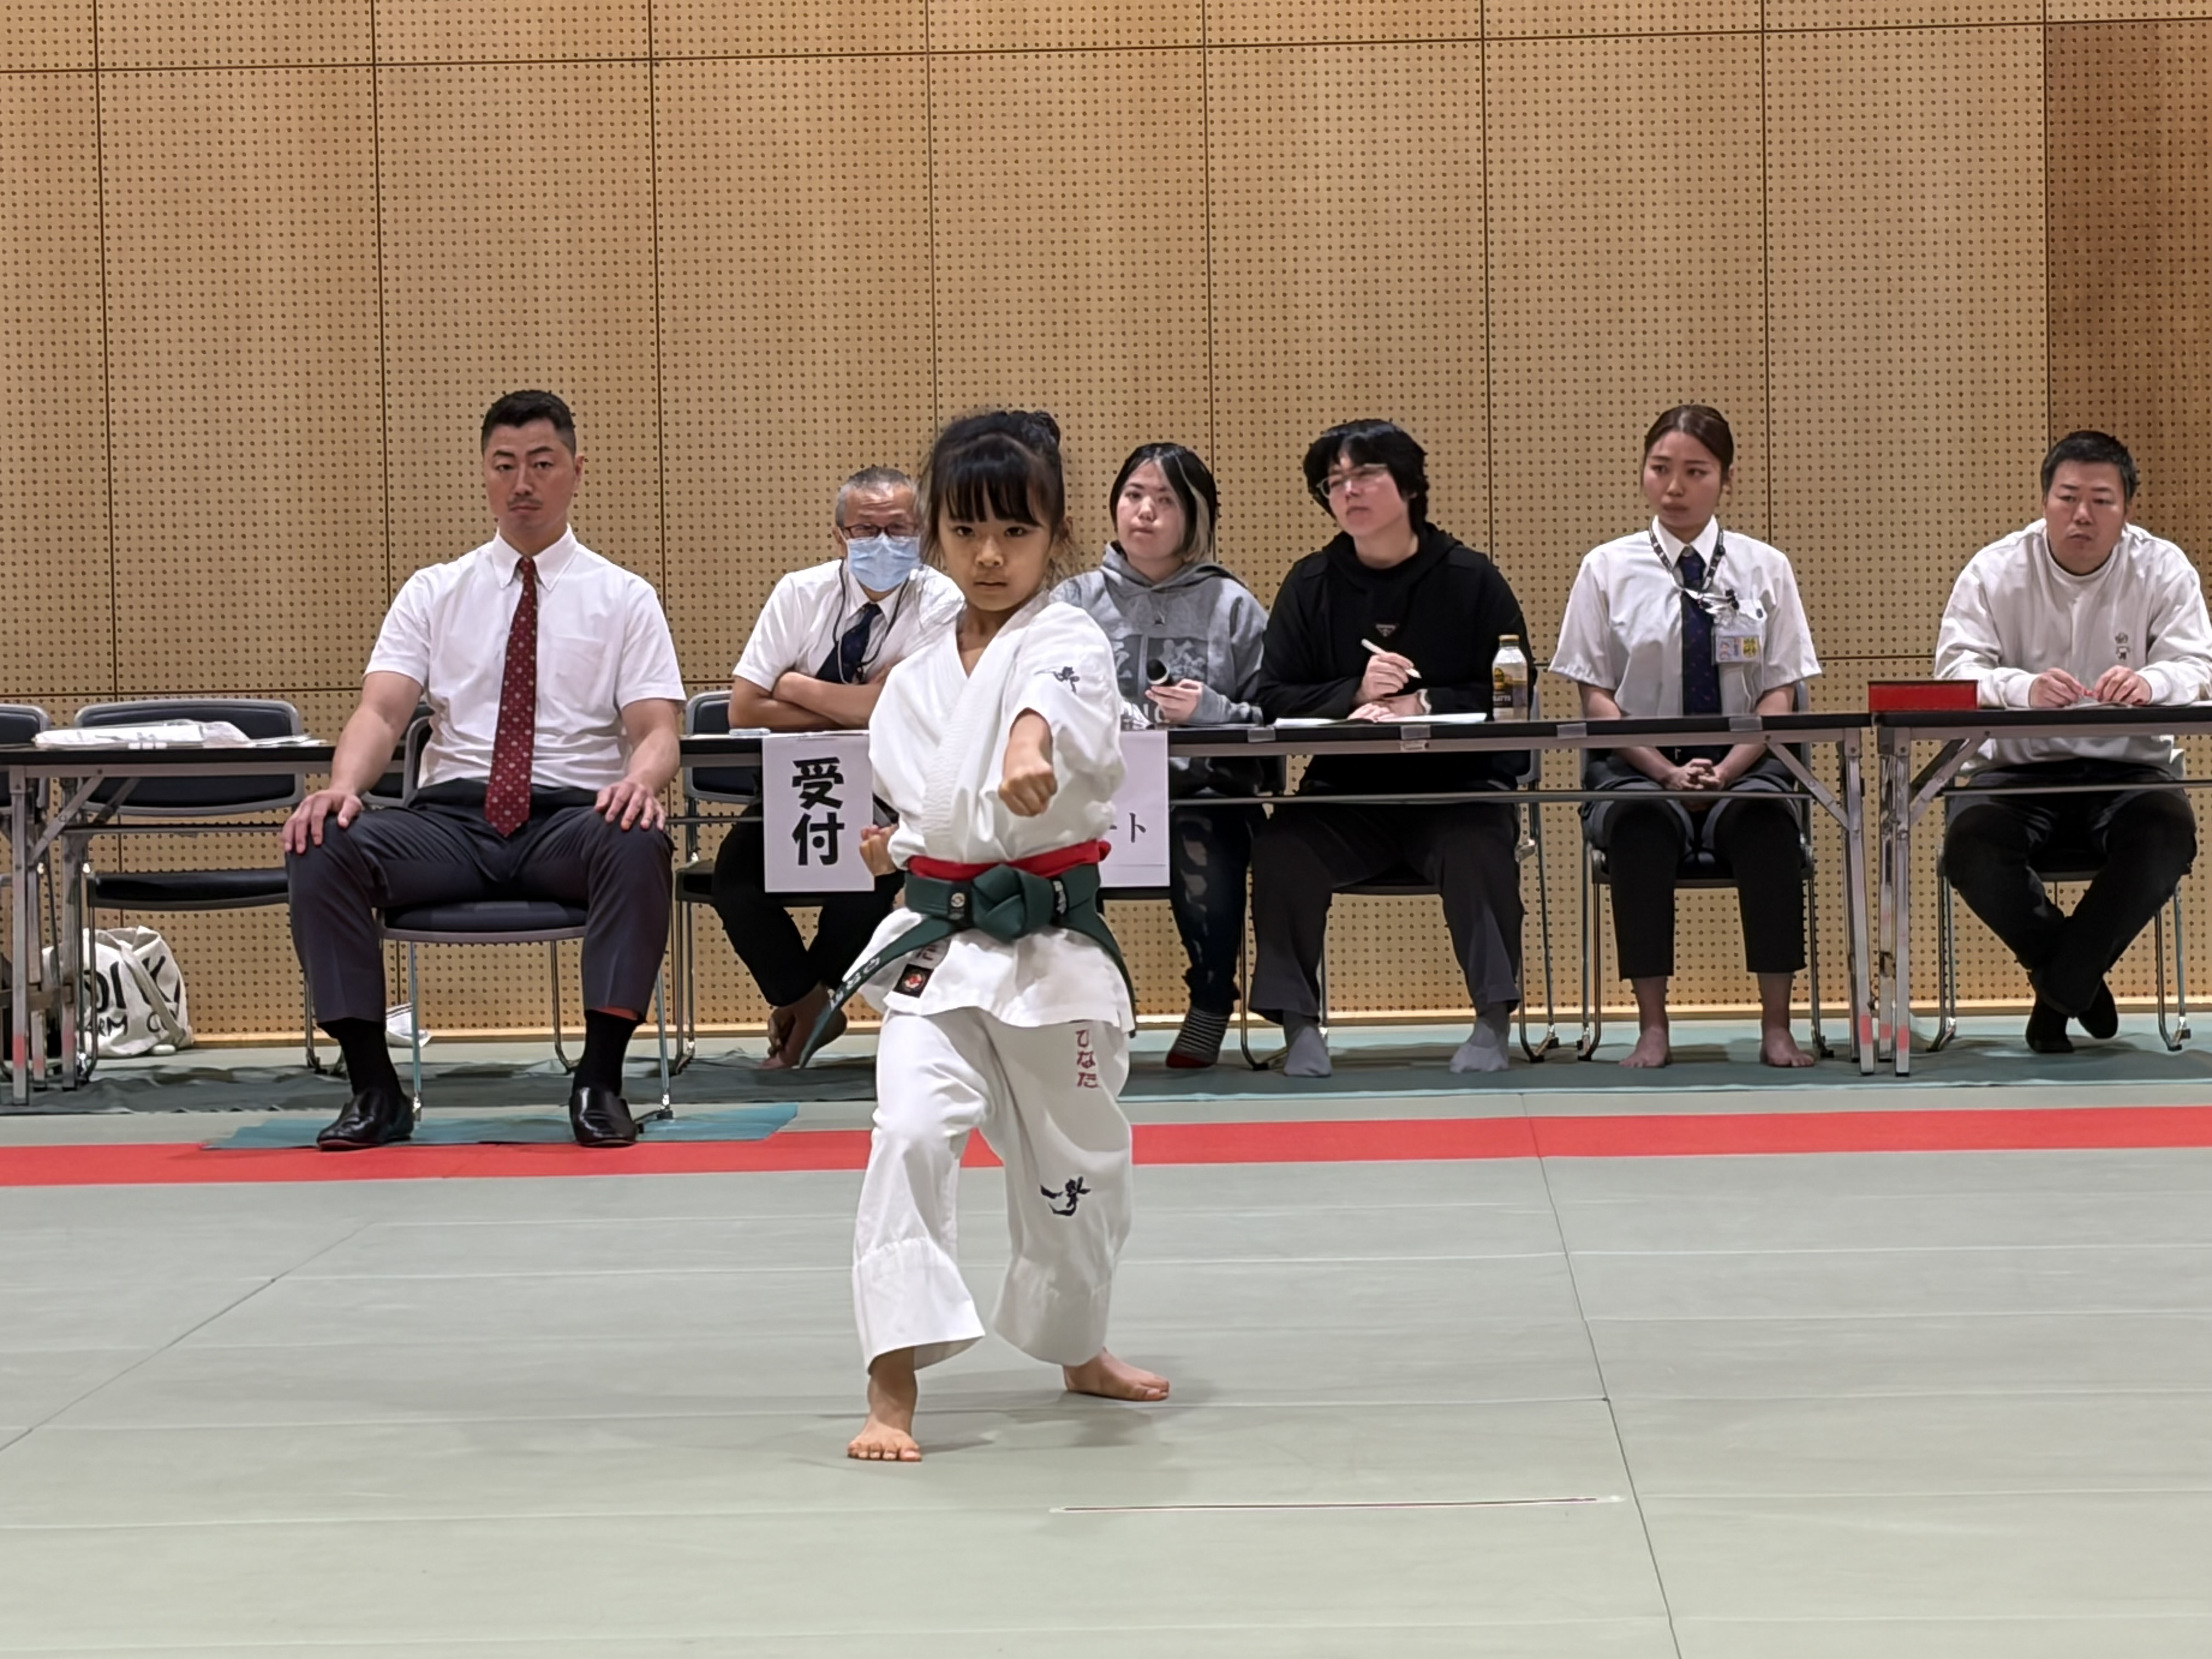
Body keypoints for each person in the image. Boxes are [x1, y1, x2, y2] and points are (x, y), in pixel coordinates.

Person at [833, 409, 1169, 1463]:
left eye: (1014, 532)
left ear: (1055, 536)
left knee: (1078, 1165)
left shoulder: (1069, 639)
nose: (988, 555)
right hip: (938, 948)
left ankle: (1077, 1344)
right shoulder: (915, 677)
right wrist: (900, 847)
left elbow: (1048, 706)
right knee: (908, 1132)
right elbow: (928, 807)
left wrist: (1029, 746)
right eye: (967, 530)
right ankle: (891, 1382)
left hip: (1050, 947)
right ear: (936, 533)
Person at [283, 390, 684, 1150]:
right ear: (484, 474)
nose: (522, 483)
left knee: (638, 840)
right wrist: (341, 789)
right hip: (451, 825)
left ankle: (599, 1080)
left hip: (572, 822)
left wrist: (640, 783)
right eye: (505, 466)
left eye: (542, 464)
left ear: (577, 471)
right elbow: (381, 714)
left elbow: (657, 729)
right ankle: (374, 1088)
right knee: (321, 840)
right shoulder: (433, 591)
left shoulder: (624, 597)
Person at [1248, 419, 1530, 1079]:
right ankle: (1299, 1024)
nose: (1348, 491)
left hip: (1457, 790)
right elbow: (1273, 695)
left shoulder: (1470, 577)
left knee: (1477, 848)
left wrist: (1421, 703)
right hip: (1346, 798)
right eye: (1334, 482)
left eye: (1365, 475)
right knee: (1283, 847)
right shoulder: (1311, 584)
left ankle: (1492, 1021)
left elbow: (1513, 688)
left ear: (1408, 486)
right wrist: (1352, 693)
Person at [1550, 405, 1824, 1069]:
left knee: (1767, 822)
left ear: (1726, 479)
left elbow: (1780, 692)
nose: (1674, 487)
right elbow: (1596, 697)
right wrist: (1664, 772)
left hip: (1748, 760)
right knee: (1640, 824)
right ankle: (1652, 1026)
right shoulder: (1605, 568)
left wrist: (1728, 771)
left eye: (1695, 472)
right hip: (1634, 765)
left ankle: (1777, 1025)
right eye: (1660, 469)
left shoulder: (1765, 567)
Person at [1935, 430, 2211, 1053]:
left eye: (2101, 500)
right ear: (2044, 501)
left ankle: (2060, 988)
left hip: (2129, 773)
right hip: (2018, 774)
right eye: (2067, 497)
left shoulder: (2163, 567)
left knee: (2166, 835)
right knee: (1971, 845)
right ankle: (2076, 980)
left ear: (2127, 508)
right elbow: (1955, 671)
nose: (2082, 514)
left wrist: (2150, 682)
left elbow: (2197, 665)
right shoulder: (1995, 569)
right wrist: (2021, 688)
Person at [709, 467, 963, 1068]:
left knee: (867, 888)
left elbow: (897, 708)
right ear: (839, 535)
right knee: (734, 886)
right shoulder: (800, 593)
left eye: (899, 530)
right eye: (866, 530)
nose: (884, 543)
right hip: (796, 788)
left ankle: (808, 1015)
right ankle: (810, 1002)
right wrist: (863, 704)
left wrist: (794, 685)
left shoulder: (943, 601)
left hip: (891, 792)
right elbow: (745, 707)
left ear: (921, 532)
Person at [1054, 443, 1268, 1068]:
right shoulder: (1073, 601)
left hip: (1201, 790)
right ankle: (1090, 1004)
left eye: (1165, 500)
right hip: (1093, 790)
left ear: (1195, 516)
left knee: (1204, 834)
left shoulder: (1231, 605)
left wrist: (1210, 710)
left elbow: (1271, 715)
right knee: (1047, 846)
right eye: (1133, 496)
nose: (1145, 512)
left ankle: (1210, 998)